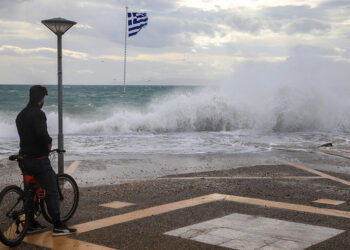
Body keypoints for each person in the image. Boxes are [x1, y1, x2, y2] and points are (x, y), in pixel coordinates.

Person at [15, 85, 76, 236]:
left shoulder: (20, 115)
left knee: (31, 191)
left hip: (24, 159)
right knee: (51, 191)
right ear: (41, 99)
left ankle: (30, 223)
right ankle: (58, 226)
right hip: (39, 160)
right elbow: (42, 134)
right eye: (44, 98)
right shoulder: (38, 114)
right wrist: (49, 142)